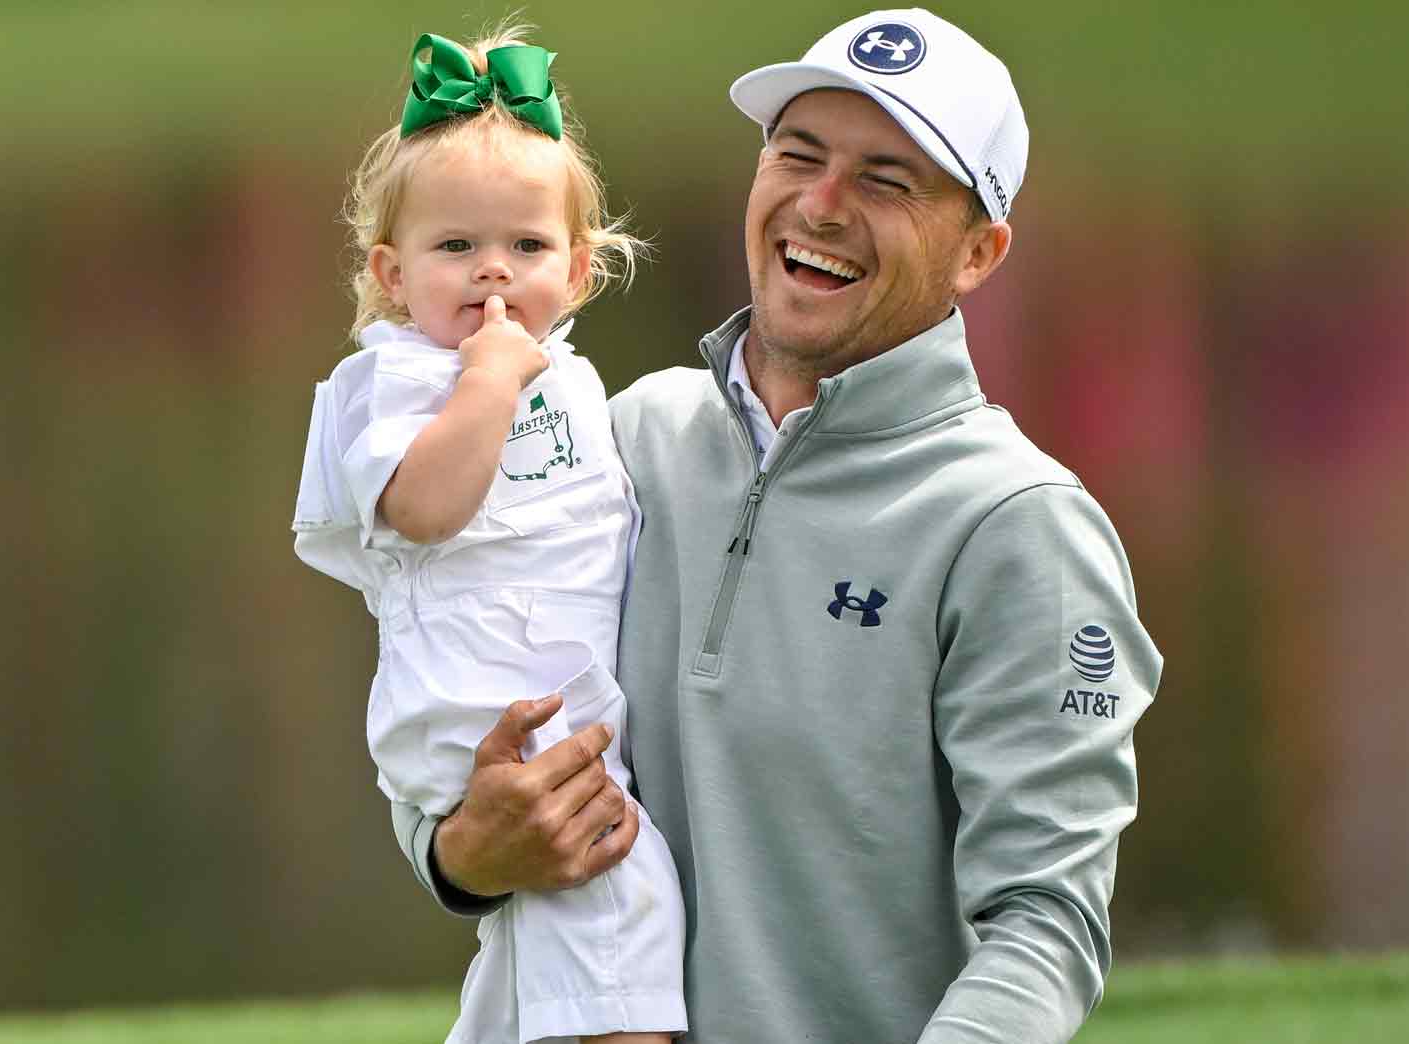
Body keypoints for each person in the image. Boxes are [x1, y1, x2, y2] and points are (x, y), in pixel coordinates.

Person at [393, 9, 1163, 1044]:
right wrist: (462, 855)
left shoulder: (1017, 528)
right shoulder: (622, 438)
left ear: (977, 251)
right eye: (795, 155)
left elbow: (1044, 925)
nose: (821, 203)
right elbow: (452, 707)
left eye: (886, 181)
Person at [290, 26, 686, 1044]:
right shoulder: (401, 382)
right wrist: (485, 381)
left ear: (581, 268)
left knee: (534, 973)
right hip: (500, 720)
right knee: (619, 935)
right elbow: (422, 507)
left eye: (526, 247)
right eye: (454, 248)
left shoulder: (576, 379)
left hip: (563, 712)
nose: (491, 278)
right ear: (390, 271)